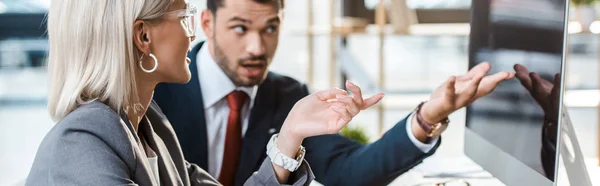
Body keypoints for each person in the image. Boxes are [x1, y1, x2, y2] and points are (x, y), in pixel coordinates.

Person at [152, 0, 516, 185]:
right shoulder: (158, 91)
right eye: (240, 28)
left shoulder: (287, 95)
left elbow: (350, 173)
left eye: (270, 28)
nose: (256, 48)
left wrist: (427, 118)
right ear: (206, 23)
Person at [25, 0, 381, 185]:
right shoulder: (82, 142)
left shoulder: (152, 129)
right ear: (143, 37)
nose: (192, 34)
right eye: (184, 18)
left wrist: (290, 133)